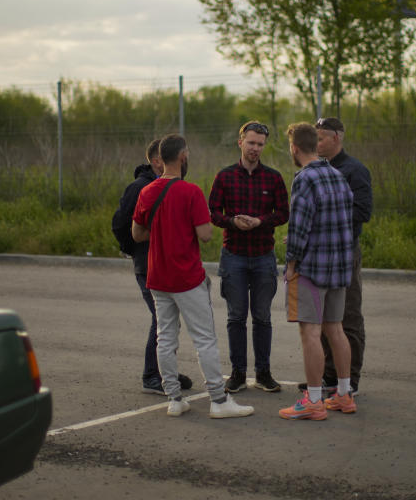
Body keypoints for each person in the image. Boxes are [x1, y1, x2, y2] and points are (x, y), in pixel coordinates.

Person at [131, 134, 254, 419]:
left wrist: (161, 231)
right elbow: (206, 234)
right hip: (187, 277)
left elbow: (137, 234)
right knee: (205, 340)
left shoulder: (147, 192)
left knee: (165, 338)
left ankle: (174, 398)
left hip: (158, 277)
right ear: (183, 157)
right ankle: (218, 400)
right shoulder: (191, 192)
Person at [279, 122, 357, 420]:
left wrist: (291, 264)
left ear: (295, 148)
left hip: (312, 269)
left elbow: (299, 226)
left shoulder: (305, 179)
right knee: (335, 328)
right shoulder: (337, 175)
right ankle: (344, 394)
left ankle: (312, 400)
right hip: (338, 266)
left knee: (309, 331)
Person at [208, 120, 289, 394]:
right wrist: (232, 222)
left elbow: (283, 213)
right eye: (251, 143)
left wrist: (260, 221)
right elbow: (212, 213)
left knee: (263, 317)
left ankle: (263, 373)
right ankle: (238, 373)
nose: (255, 148)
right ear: (240, 142)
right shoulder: (225, 177)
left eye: (260, 144)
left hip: (264, 256)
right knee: (236, 317)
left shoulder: (274, 178)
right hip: (234, 256)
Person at [111, 139, 193, 396]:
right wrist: (133, 249)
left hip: (164, 264)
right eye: (166, 157)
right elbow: (120, 223)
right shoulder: (140, 187)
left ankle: (164, 371)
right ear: (156, 161)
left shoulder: (167, 186)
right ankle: (152, 376)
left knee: (168, 322)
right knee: (162, 321)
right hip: (148, 264)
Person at [313, 117, 372, 396]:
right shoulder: (317, 169)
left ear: (337, 138)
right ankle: (329, 377)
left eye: (322, 137)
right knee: (325, 318)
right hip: (321, 253)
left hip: (345, 252)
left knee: (347, 317)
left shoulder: (354, 170)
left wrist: (325, 218)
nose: (317, 142)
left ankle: (351, 381)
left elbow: (362, 212)